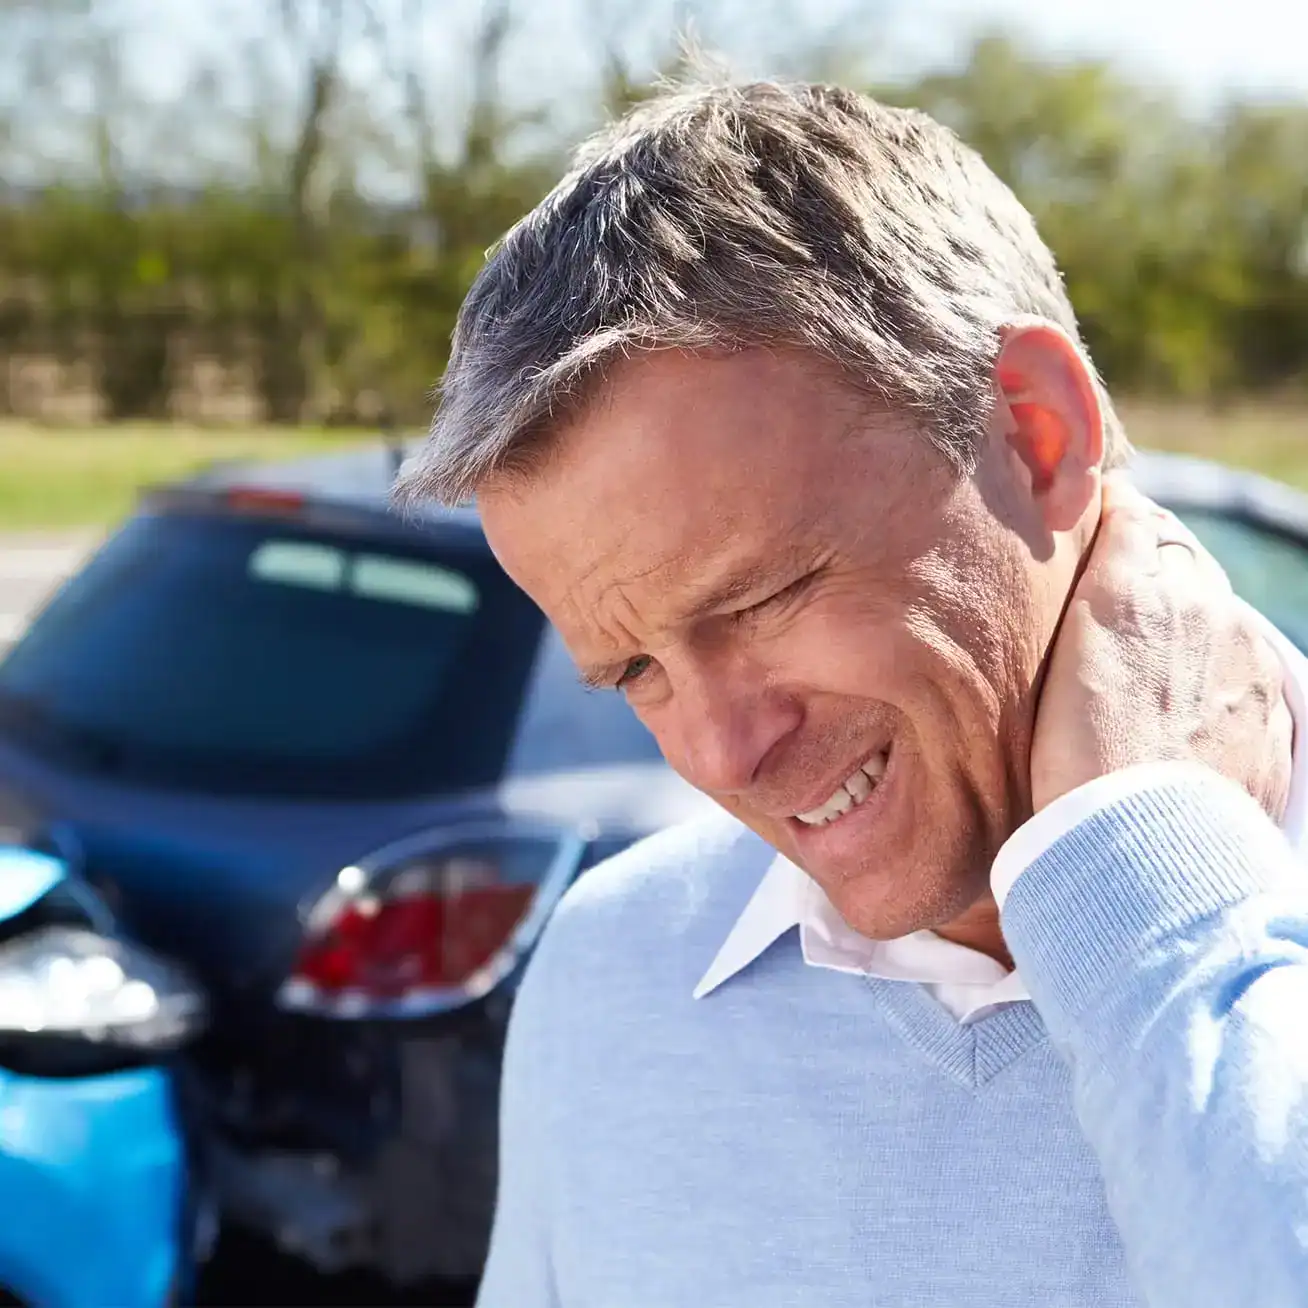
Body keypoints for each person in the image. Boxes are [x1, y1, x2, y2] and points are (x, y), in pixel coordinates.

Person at [395, 77, 1308, 1308]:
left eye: (762, 599)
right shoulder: (613, 967)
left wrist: (1151, 905)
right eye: (638, 672)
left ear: (1038, 434)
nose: (721, 757)